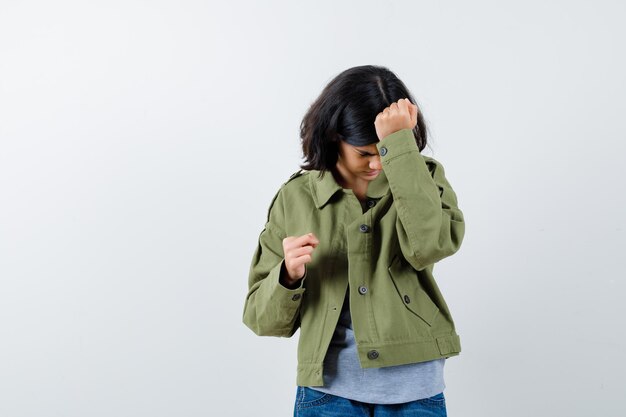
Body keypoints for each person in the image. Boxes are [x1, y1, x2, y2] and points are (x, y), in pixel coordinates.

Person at [242, 65, 465, 416]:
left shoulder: (423, 178)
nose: (377, 163)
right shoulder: (295, 197)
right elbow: (261, 318)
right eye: (365, 152)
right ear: (334, 137)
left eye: (386, 150)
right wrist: (287, 277)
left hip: (416, 391)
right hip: (327, 394)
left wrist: (402, 151)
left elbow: (431, 246)